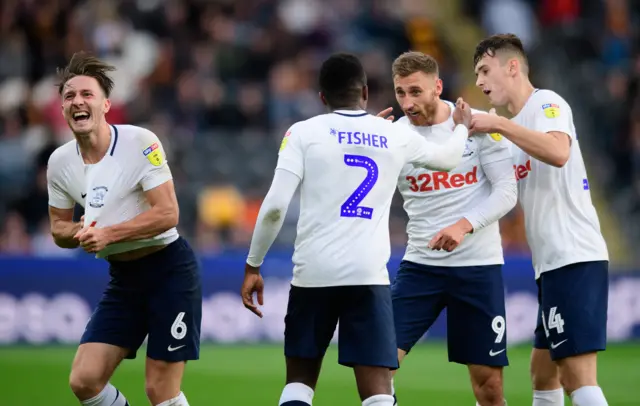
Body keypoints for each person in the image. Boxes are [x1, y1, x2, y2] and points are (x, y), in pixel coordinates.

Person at [239, 53, 473, 406]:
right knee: (378, 390)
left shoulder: (303, 132)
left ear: (322, 97)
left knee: (299, 383)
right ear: (365, 92)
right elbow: (448, 159)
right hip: (367, 276)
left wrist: (253, 264)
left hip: (313, 274)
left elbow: (273, 207)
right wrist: (462, 126)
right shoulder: (392, 134)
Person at [46, 51, 201, 406]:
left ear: (105, 105)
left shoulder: (139, 142)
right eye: (69, 96)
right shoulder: (59, 163)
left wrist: (108, 234)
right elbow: (58, 227)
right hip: (125, 279)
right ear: (62, 108)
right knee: (85, 381)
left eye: (87, 94)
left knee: (159, 390)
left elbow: (168, 214)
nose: (77, 101)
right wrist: (77, 232)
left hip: (169, 270)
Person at [471, 34, 610, 406]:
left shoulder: (546, 102)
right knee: (543, 371)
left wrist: (499, 126)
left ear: (512, 66)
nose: (480, 81)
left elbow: (558, 151)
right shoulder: (516, 130)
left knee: (577, 376)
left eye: (485, 70)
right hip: (551, 264)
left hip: (574, 255)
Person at [378, 51, 517, 406]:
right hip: (421, 267)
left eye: (415, 91)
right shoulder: (390, 137)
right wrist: (364, 145)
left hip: (478, 267)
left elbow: (506, 192)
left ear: (437, 87)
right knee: (377, 366)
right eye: (400, 93)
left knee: (489, 388)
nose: (407, 102)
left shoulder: (479, 123)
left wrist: (463, 225)